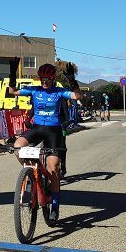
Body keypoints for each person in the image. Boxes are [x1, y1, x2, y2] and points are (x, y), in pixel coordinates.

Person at [6, 61, 82, 222]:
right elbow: (12, 91)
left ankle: (54, 204)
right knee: (17, 147)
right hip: (38, 128)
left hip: (54, 131)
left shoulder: (59, 92)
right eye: (42, 79)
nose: (44, 82)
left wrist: (72, 80)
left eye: (47, 79)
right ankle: (31, 174)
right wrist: (12, 74)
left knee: (53, 168)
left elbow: (77, 96)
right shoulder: (34, 90)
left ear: (53, 79)